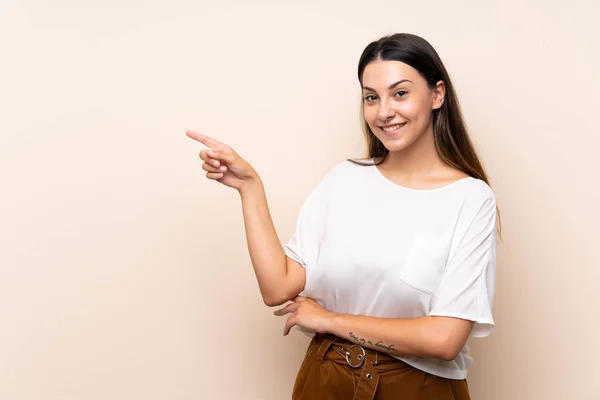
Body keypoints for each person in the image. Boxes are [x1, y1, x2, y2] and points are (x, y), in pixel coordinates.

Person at [186, 33, 501, 400]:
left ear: (437, 95)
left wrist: (330, 321)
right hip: (325, 379)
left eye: (400, 93)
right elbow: (278, 287)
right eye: (372, 97)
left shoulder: (471, 199)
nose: (383, 111)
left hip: (417, 388)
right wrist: (250, 188)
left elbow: (445, 339)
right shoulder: (345, 179)